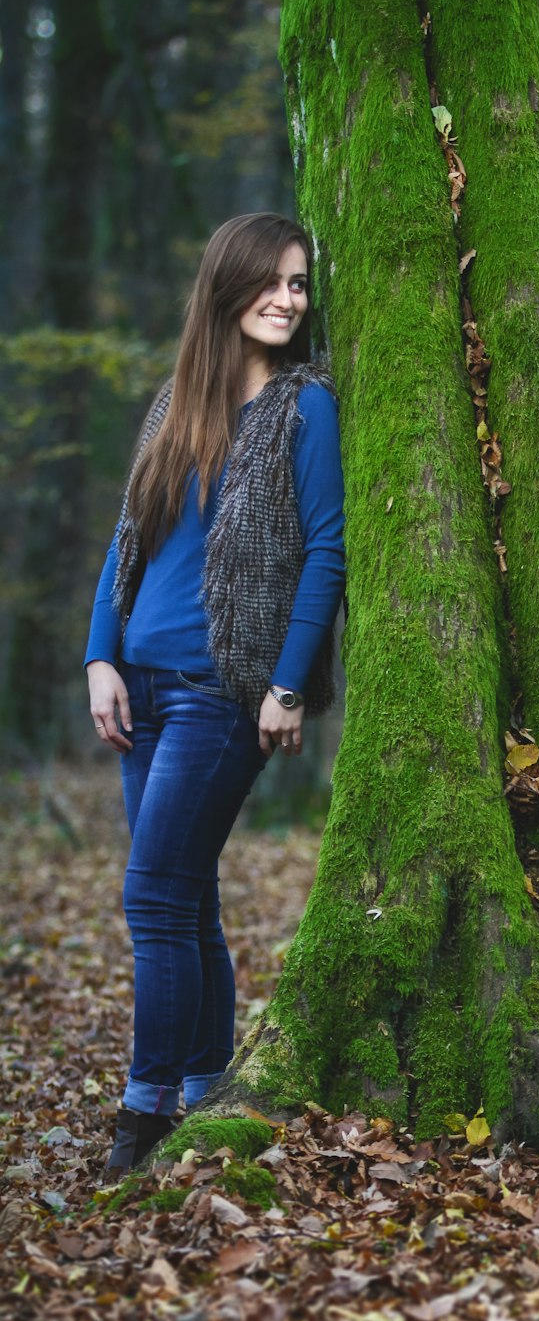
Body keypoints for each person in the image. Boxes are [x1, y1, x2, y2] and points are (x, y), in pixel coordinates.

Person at [85, 212, 345, 1175]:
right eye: (271, 282)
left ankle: (143, 1111)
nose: (287, 299)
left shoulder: (305, 407)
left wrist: (287, 685)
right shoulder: (175, 403)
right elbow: (128, 538)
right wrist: (98, 656)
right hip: (141, 683)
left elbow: (329, 551)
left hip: (220, 690)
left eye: (300, 285)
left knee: (153, 898)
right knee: (187, 905)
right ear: (225, 289)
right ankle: (202, 1093)